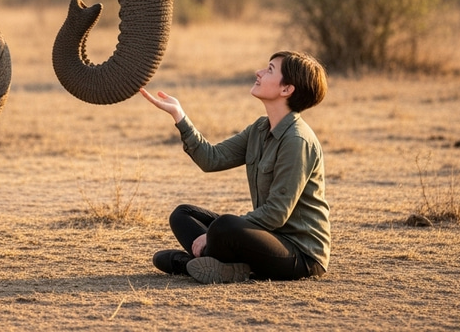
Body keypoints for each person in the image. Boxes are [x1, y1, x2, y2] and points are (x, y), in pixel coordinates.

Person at [140, 50, 330, 284]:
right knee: (183, 214)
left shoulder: (296, 141)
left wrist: (211, 235)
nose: (258, 72)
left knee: (224, 226)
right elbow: (212, 159)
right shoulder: (260, 128)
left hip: (300, 255)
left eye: (269, 70)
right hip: (267, 238)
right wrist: (179, 116)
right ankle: (223, 266)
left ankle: (191, 264)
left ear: (286, 89)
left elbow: (276, 213)